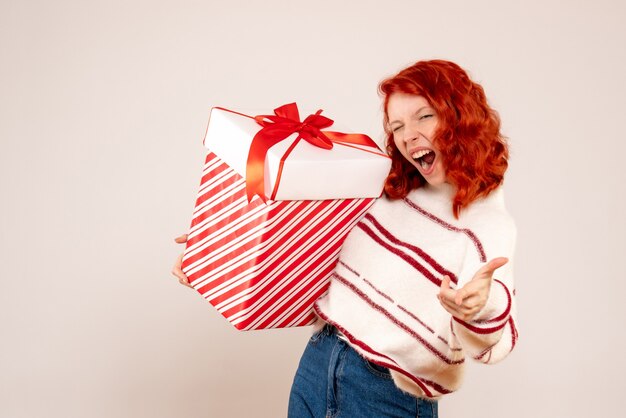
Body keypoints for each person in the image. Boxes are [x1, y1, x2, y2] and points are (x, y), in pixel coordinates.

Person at [172, 59, 517, 418]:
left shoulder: (487, 225)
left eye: (424, 116)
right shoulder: (384, 192)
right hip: (318, 364)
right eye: (397, 125)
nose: (407, 135)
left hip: (386, 394)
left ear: (461, 117)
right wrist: (214, 250)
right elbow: (305, 253)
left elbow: (497, 341)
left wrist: (479, 306)